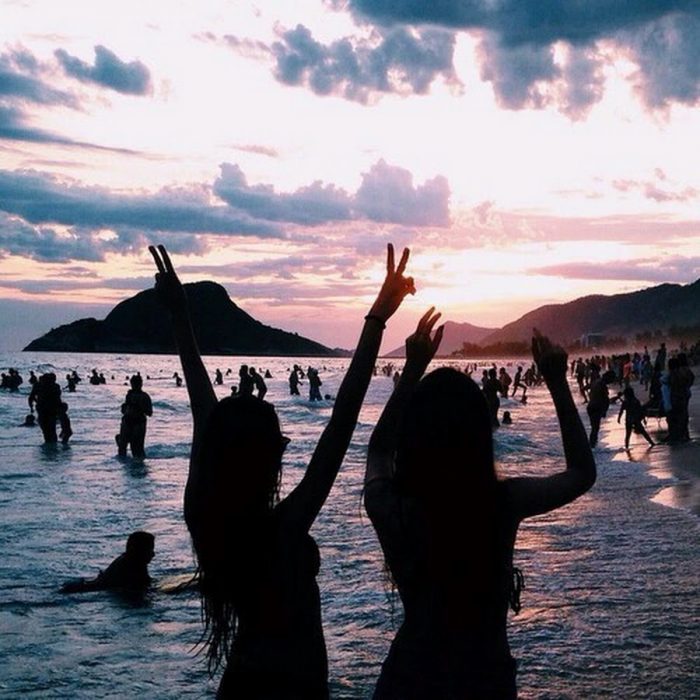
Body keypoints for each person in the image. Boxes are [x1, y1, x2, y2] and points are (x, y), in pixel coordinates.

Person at [149, 242, 415, 698]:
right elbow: (342, 421)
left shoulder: (206, 516)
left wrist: (180, 318)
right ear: (266, 462)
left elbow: (205, 414)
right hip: (292, 687)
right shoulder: (279, 532)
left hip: (244, 682)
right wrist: (377, 318)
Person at [365, 323, 596, 699]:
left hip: (408, 680)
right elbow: (582, 473)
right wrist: (556, 380)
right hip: (483, 680)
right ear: (479, 435)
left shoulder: (393, 508)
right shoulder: (501, 503)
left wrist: (412, 369)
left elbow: (377, 452)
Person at [60, 531, 155, 594]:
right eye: (150, 550)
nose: (153, 554)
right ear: (137, 551)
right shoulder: (132, 565)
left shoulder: (132, 561)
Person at [116, 374, 153, 459]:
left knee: (137, 450)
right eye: (133, 384)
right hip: (127, 422)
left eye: (136, 384)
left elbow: (149, 413)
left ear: (140, 384)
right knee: (122, 448)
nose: (134, 386)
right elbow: (125, 409)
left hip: (138, 424)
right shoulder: (129, 395)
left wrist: (139, 407)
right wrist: (125, 407)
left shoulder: (144, 396)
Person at [28, 372, 62, 443]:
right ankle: (51, 445)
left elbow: (31, 397)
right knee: (50, 429)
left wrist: (32, 405)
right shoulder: (54, 386)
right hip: (49, 409)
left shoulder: (39, 385)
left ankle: (50, 445)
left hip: (46, 409)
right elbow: (58, 400)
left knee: (47, 429)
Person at [586, 370, 616, 447]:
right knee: (595, 428)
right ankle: (591, 446)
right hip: (596, 408)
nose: (611, 382)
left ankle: (592, 445)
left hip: (591, 406)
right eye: (611, 380)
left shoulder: (596, 381)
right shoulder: (602, 385)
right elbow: (605, 400)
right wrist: (604, 410)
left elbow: (585, 388)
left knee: (594, 428)